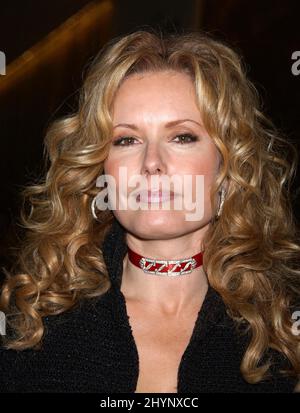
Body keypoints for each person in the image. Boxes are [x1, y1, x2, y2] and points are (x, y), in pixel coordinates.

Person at [0, 28, 300, 393]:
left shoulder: (284, 330)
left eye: (182, 136)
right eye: (126, 139)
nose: (152, 162)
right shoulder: (31, 326)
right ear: (100, 170)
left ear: (227, 166)